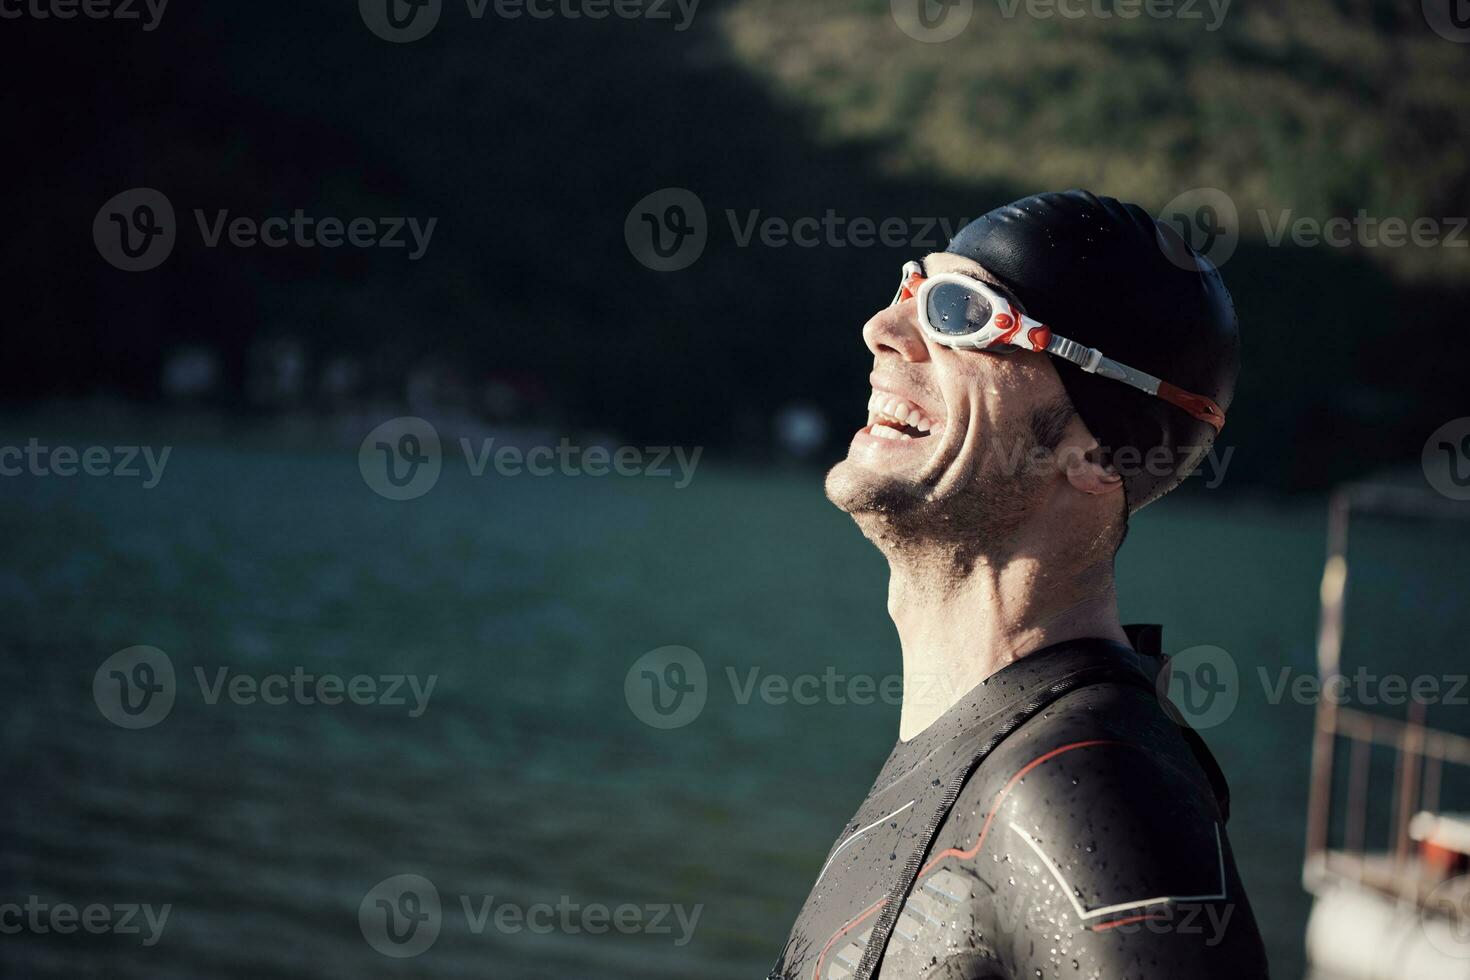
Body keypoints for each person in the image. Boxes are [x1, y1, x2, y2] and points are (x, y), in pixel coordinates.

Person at [768, 190, 1269, 980]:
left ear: (1100, 455)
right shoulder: (984, 747)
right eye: (910, 290)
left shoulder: (1096, 792)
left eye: (961, 312)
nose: (885, 331)